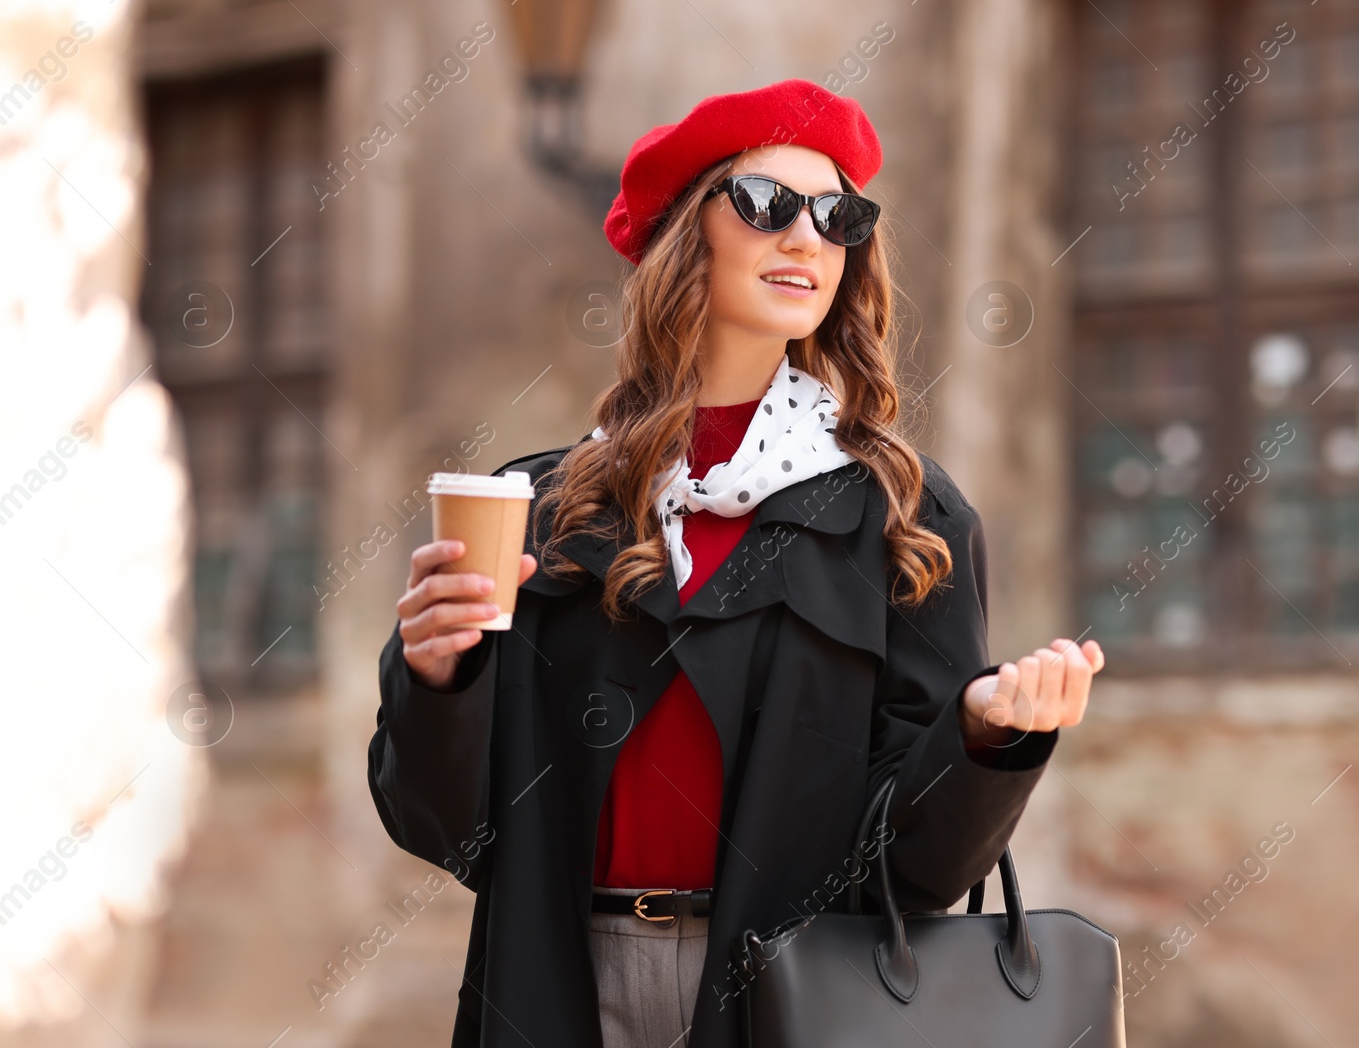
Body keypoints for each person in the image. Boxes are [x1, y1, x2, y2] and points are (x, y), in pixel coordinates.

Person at [368, 78, 1106, 1048]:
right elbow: (444, 827)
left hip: (792, 995)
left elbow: (917, 869)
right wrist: (438, 671)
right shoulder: (548, 507)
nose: (806, 238)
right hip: (554, 983)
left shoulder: (902, 515)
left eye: (838, 215)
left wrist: (983, 740)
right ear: (684, 236)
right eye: (766, 205)